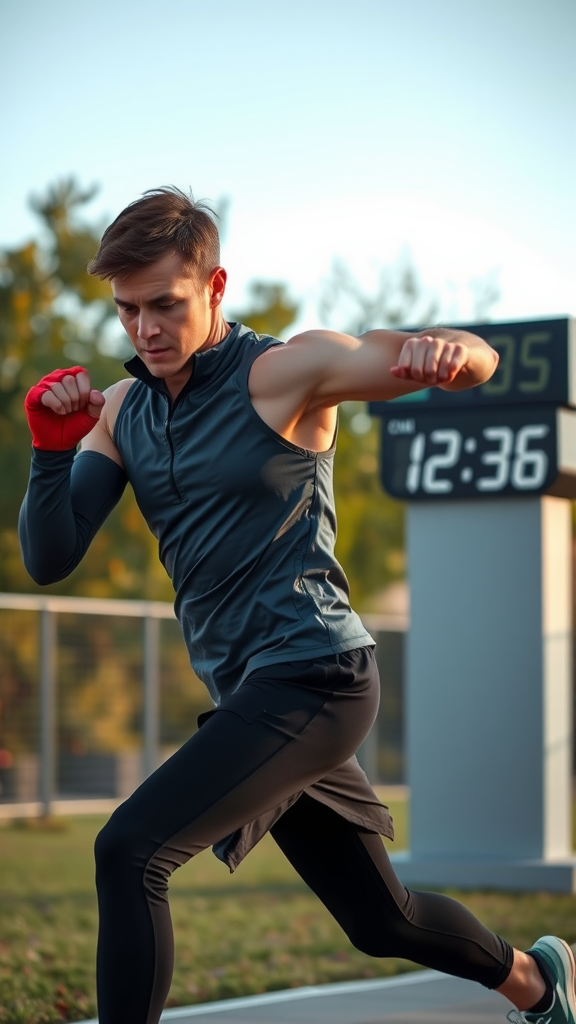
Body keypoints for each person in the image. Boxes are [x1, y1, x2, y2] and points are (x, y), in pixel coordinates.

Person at [19, 186, 575, 1024]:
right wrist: (49, 453)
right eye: (128, 311)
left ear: (215, 286)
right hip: (252, 695)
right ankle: (540, 983)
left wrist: (451, 354)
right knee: (382, 920)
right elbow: (50, 557)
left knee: (130, 851)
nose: (146, 331)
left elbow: (458, 357)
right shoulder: (123, 412)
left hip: (318, 674)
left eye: (165, 305)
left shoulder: (282, 373)